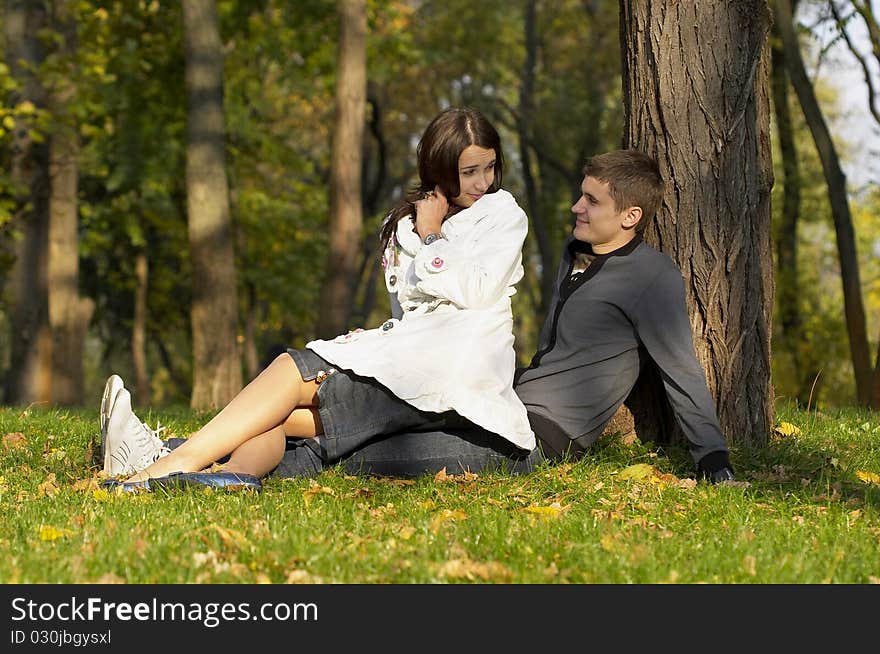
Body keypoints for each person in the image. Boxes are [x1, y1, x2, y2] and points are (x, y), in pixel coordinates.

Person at [100, 106, 539, 491]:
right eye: (469, 172)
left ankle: (169, 460)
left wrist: (431, 235)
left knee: (292, 371)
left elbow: (478, 292)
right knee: (280, 412)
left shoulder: (502, 215)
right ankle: (229, 477)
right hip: (414, 362)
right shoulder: (401, 224)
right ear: (438, 170)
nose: (483, 182)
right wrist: (376, 343)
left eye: (489, 167)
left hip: (459, 367)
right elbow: (410, 313)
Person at [269, 149, 736, 483]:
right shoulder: (574, 253)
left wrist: (714, 460)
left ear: (631, 216)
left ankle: (226, 466)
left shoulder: (651, 277)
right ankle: (219, 446)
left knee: (369, 455)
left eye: (592, 201)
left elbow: (682, 371)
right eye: (581, 195)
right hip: (500, 400)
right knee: (371, 408)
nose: (577, 207)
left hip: (538, 439)